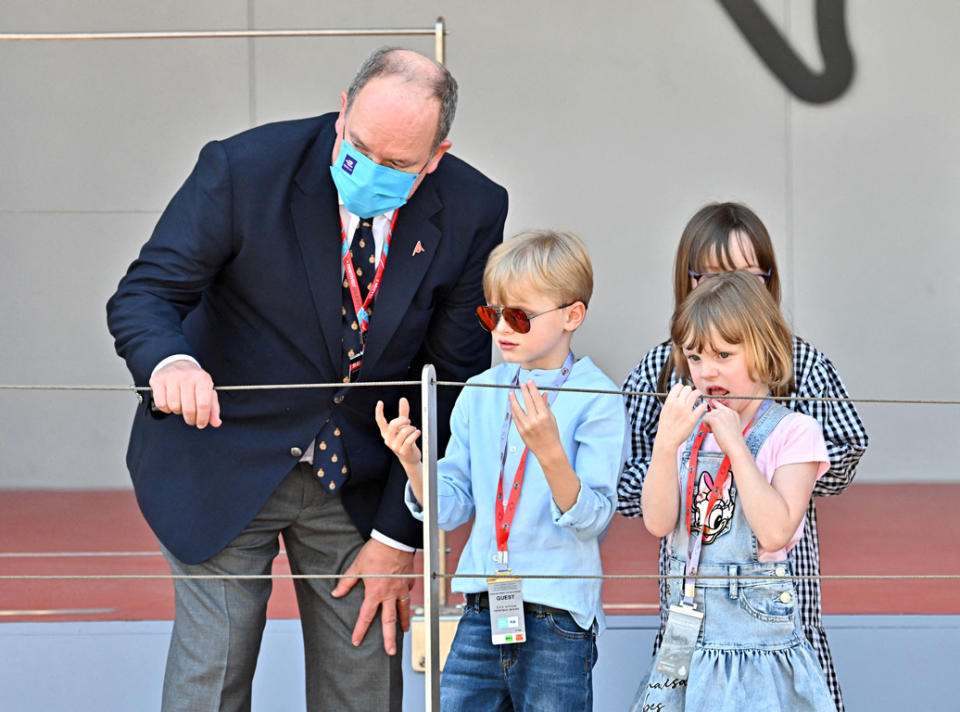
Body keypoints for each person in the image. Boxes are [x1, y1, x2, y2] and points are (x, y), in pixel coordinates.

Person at [106, 47, 508, 712]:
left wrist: (397, 537)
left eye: (400, 164)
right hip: (225, 456)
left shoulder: (472, 207)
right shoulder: (244, 169)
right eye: (361, 147)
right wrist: (170, 364)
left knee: (363, 683)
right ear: (343, 111)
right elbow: (145, 295)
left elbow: (453, 380)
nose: (372, 170)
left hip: (362, 478)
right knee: (214, 674)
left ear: (437, 156)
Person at [619, 202, 867, 711]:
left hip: (772, 611)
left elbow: (841, 454)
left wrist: (777, 469)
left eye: (746, 276)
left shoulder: (803, 375)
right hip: (687, 617)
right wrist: (667, 447)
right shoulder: (663, 372)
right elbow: (646, 506)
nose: (707, 367)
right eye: (709, 275)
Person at [375, 230, 624, 710]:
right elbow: (449, 508)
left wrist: (551, 451)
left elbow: (594, 518)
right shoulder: (480, 390)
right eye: (492, 313)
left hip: (558, 614)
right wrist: (412, 463)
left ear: (573, 315)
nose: (501, 328)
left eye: (520, 316)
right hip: (482, 605)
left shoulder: (597, 396)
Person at [637, 270, 835, 709]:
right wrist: (666, 445)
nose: (707, 372)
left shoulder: (794, 431)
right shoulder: (689, 430)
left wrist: (736, 448)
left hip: (756, 651)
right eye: (694, 358)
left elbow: (776, 531)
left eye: (723, 355)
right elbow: (657, 522)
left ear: (764, 350)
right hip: (686, 647)